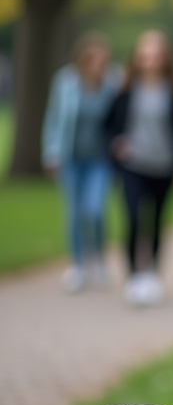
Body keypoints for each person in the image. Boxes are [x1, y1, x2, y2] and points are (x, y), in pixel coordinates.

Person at [103, 29, 173, 307]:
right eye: (145, 56)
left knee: (156, 222)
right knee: (132, 219)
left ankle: (151, 274)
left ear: (165, 59)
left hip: (165, 167)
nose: (150, 61)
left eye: (155, 56)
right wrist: (117, 143)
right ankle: (133, 276)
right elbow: (108, 126)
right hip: (134, 165)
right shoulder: (127, 89)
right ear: (137, 59)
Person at [42, 32, 120, 293]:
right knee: (74, 212)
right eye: (92, 59)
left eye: (101, 59)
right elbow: (54, 118)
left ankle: (97, 257)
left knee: (94, 210)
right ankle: (77, 264)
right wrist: (50, 152)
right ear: (82, 59)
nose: (97, 64)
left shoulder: (113, 83)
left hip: (100, 159)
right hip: (71, 157)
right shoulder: (65, 82)